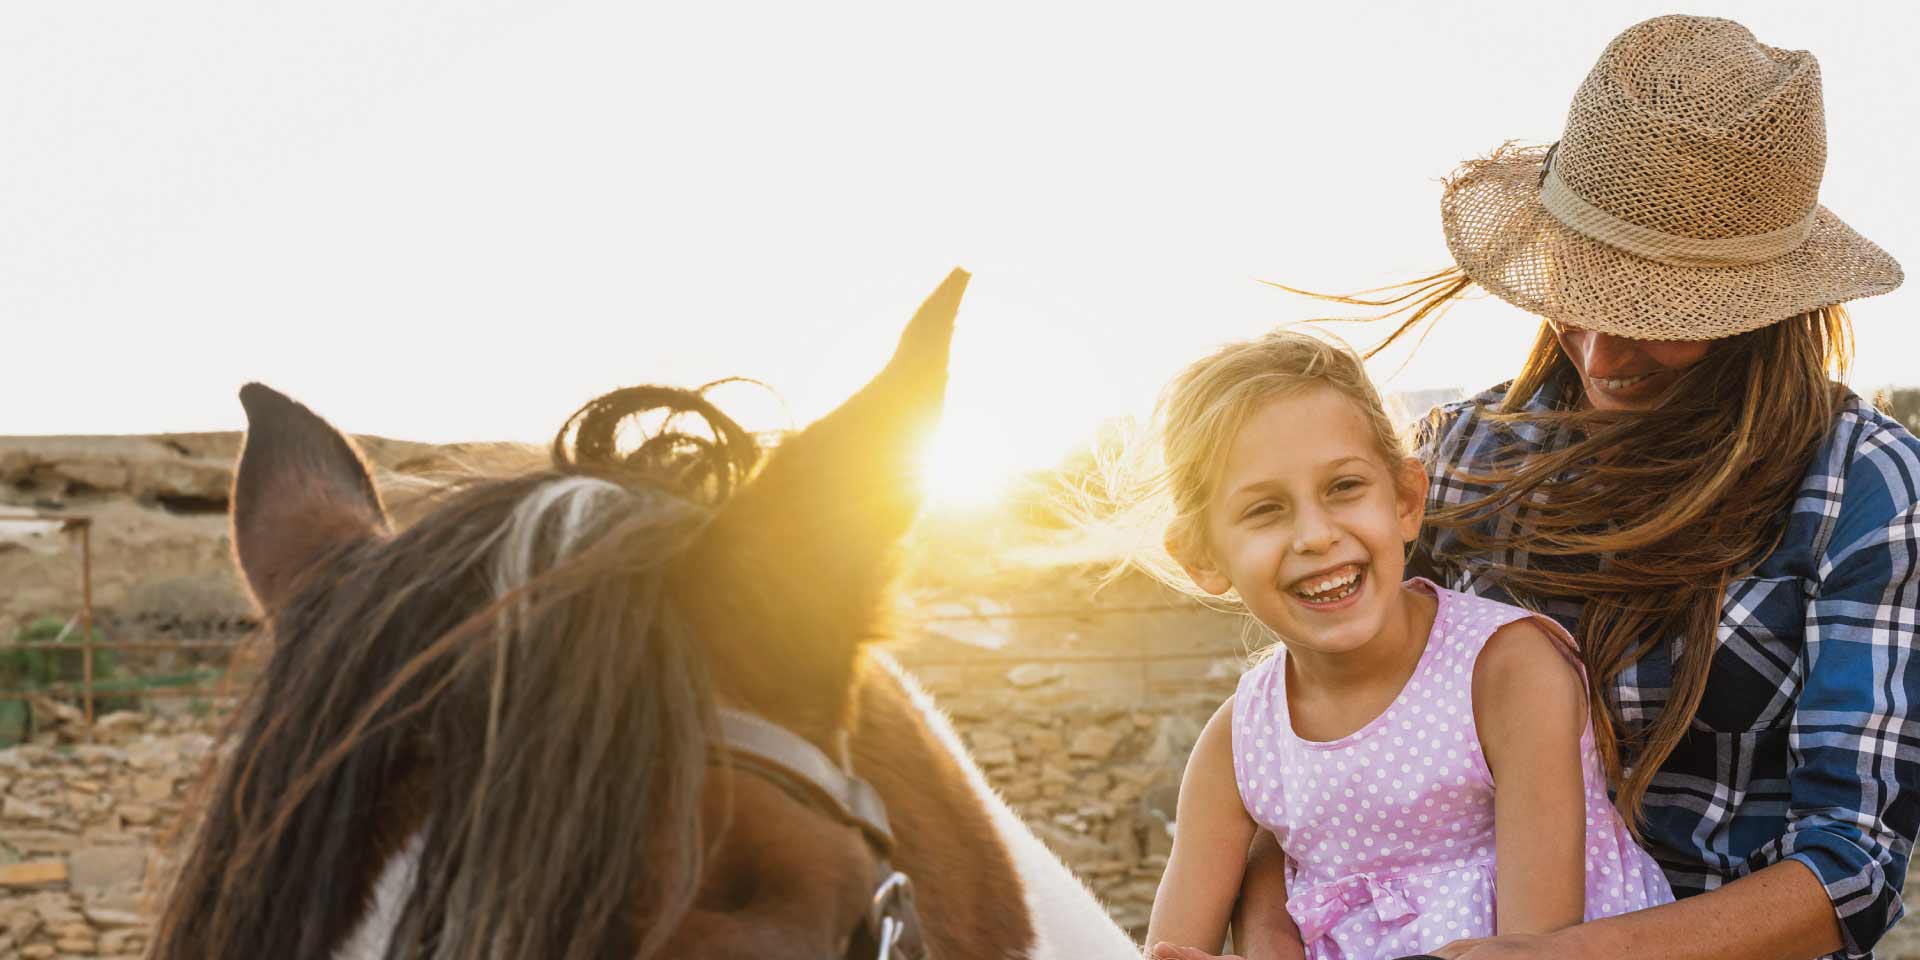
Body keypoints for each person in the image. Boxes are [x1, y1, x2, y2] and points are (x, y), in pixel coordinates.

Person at [1210, 15, 1913, 960]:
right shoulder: (1464, 457)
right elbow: (1332, 736)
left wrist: (1561, 956)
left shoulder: (1863, 488)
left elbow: (1850, 867)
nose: (1598, 350)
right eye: (1582, 290)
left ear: (1767, 310)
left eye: (1660, 312)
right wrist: (1267, 926)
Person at [1135, 330, 1673, 960]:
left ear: (1407, 501)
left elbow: (1537, 944)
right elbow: (1170, 947)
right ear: (1202, 556)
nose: (1315, 535)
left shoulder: (1507, 672)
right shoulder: (1239, 746)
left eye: (1344, 488)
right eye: (1264, 509)